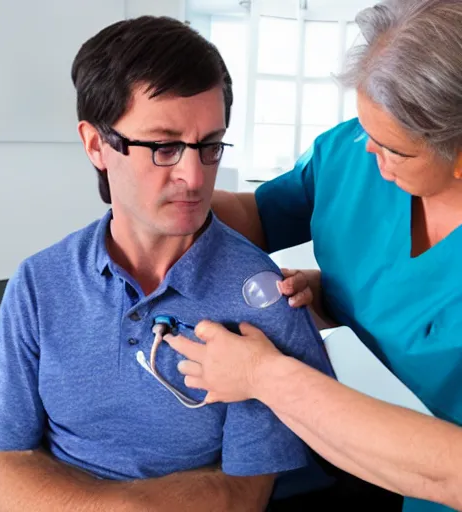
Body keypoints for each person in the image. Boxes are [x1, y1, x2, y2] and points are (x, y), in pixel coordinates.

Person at [0, 16, 336, 512]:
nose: (195, 176)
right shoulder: (39, 282)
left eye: (209, 145)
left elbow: (243, 495)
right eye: (164, 146)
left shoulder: (264, 301)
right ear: (96, 145)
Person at [168, 1, 462, 512]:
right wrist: (169, 195)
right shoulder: (352, 151)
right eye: (364, 126)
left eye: (394, 148)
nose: (369, 152)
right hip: (324, 433)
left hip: (422, 478)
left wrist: (261, 376)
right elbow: (258, 215)